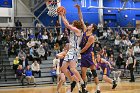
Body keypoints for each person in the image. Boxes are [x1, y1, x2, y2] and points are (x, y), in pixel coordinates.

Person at [58, 7, 84, 93]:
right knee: (63, 68)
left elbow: (67, 25)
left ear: (75, 26)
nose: (71, 24)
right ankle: (72, 80)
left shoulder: (78, 30)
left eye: (73, 24)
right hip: (70, 50)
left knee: (72, 69)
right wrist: (63, 15)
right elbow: (67, 23)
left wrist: (62, 15)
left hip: (74, 50)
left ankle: (82, 82)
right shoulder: (73, 29)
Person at [75, 4, 100, 93]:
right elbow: (81, 19)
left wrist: (78, 52)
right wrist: (79, 9)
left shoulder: (92, 37)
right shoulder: (85, 31)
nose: (88, 25)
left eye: (90, 25)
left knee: (93, 72)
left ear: (92, 28)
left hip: (88, 55)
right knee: (83, 73)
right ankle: (84, 89)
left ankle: (98, 88)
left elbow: (85, 48)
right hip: (83, 55)